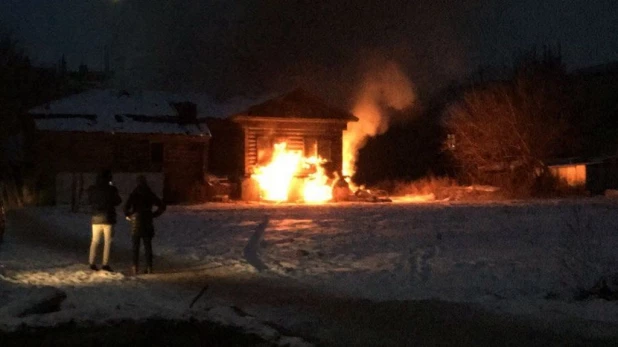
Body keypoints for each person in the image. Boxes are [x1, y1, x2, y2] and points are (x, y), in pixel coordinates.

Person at [124, 175, 165, 275]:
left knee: (135, 246)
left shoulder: (134, 194)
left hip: (136, 221)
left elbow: (126, 207)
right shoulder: (150, 193)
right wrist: (153, 215)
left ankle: (135, 267)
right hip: (147, 220)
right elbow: (162, 206)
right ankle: (149, 267)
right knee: (148, 246)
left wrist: (129, 215)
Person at [87, 169, 122, 272]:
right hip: (108, 218)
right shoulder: (111, 189)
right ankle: (105, 264)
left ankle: (92, 262)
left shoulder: (92, 189)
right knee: (108, 242)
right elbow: (118, 201)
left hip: (96, 218)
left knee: (95, 241)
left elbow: (89, 200)